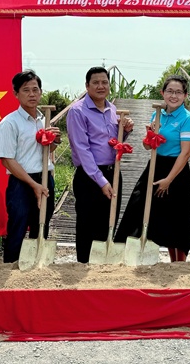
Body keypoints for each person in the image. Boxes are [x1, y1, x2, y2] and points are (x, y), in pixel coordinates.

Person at [115, 75, 190, 262]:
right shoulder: (157, 114)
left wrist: (168, 180)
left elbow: (186, 153)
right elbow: (147, 146)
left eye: (178, 92)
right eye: (170, 91)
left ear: (185, 95)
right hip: (155, 165)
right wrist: (150, 134)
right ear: (162, 93)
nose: (174, 96)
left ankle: (178, 262)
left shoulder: (187, 119)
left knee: (176, 217)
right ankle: (129, 254)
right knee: (138, 206)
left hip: (176, 170)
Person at [66, 66, 134, 263]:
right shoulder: (77, 111)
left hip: (114, 173)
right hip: (90, 176)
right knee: (87, 224)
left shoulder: (113, 110)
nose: (100, 86)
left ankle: (102, 267)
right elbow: (82, 149)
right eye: (95, 82)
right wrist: (101, 181)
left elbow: (114, 143)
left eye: (104, 82)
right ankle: (84, 265)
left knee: (108, 222)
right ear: (87, 86)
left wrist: (125, 131)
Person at [0, 70, 60, 263]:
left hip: (45, 179)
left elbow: (46, 150)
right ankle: (11, 267)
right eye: (26, 90)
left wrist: (55, 140)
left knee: (42, 223)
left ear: (41, 92)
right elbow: (7, 160)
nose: (32, 94)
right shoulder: (9, 123)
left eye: (35, 89)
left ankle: (37, 266)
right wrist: (33, 184)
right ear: (16, 93)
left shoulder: (44, 120)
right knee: (18, 224)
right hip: (21, 182)